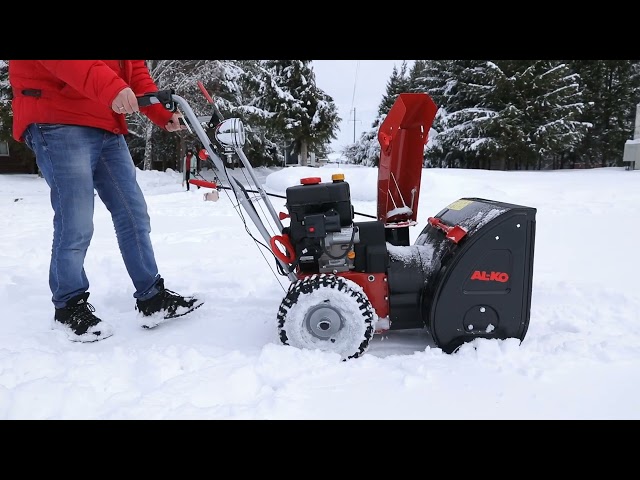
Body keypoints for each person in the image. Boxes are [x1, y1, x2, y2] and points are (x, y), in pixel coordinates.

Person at [8, 60, 204, 343]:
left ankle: (152, 298)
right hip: (57, 118)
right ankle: (68, 307)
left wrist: (160, 111)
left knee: (133, 213)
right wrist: (113, 89)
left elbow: (134, 69)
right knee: (76, 221)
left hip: (105, 121)